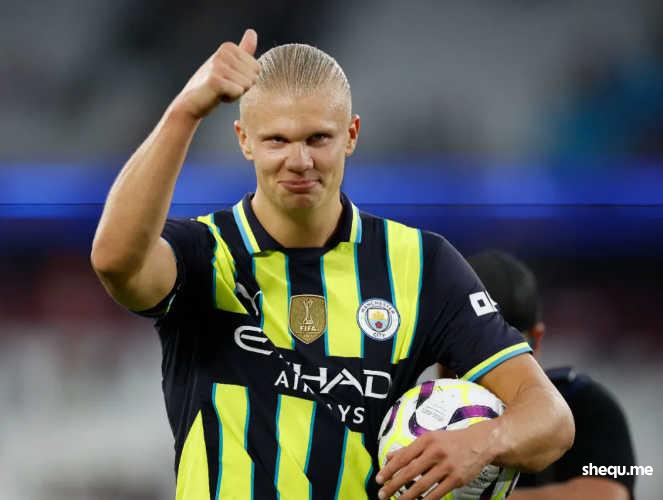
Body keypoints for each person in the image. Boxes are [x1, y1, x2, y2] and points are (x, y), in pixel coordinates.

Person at [90, 29, 574, 499]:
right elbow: (113, 261)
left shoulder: (422, 264)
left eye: (318, 138)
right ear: (244, 140)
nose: (299, 160)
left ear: (351, 134)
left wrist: (482, 441)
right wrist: (185, 112)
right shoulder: (206, 254)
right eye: (277, 140)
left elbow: (551, 418)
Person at [466, 250, 636, 500]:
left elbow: (609, 494)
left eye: (500, 351)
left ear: (536, 340)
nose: (481, 367)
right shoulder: (415, 413)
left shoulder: (585, 405)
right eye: (467, 351)